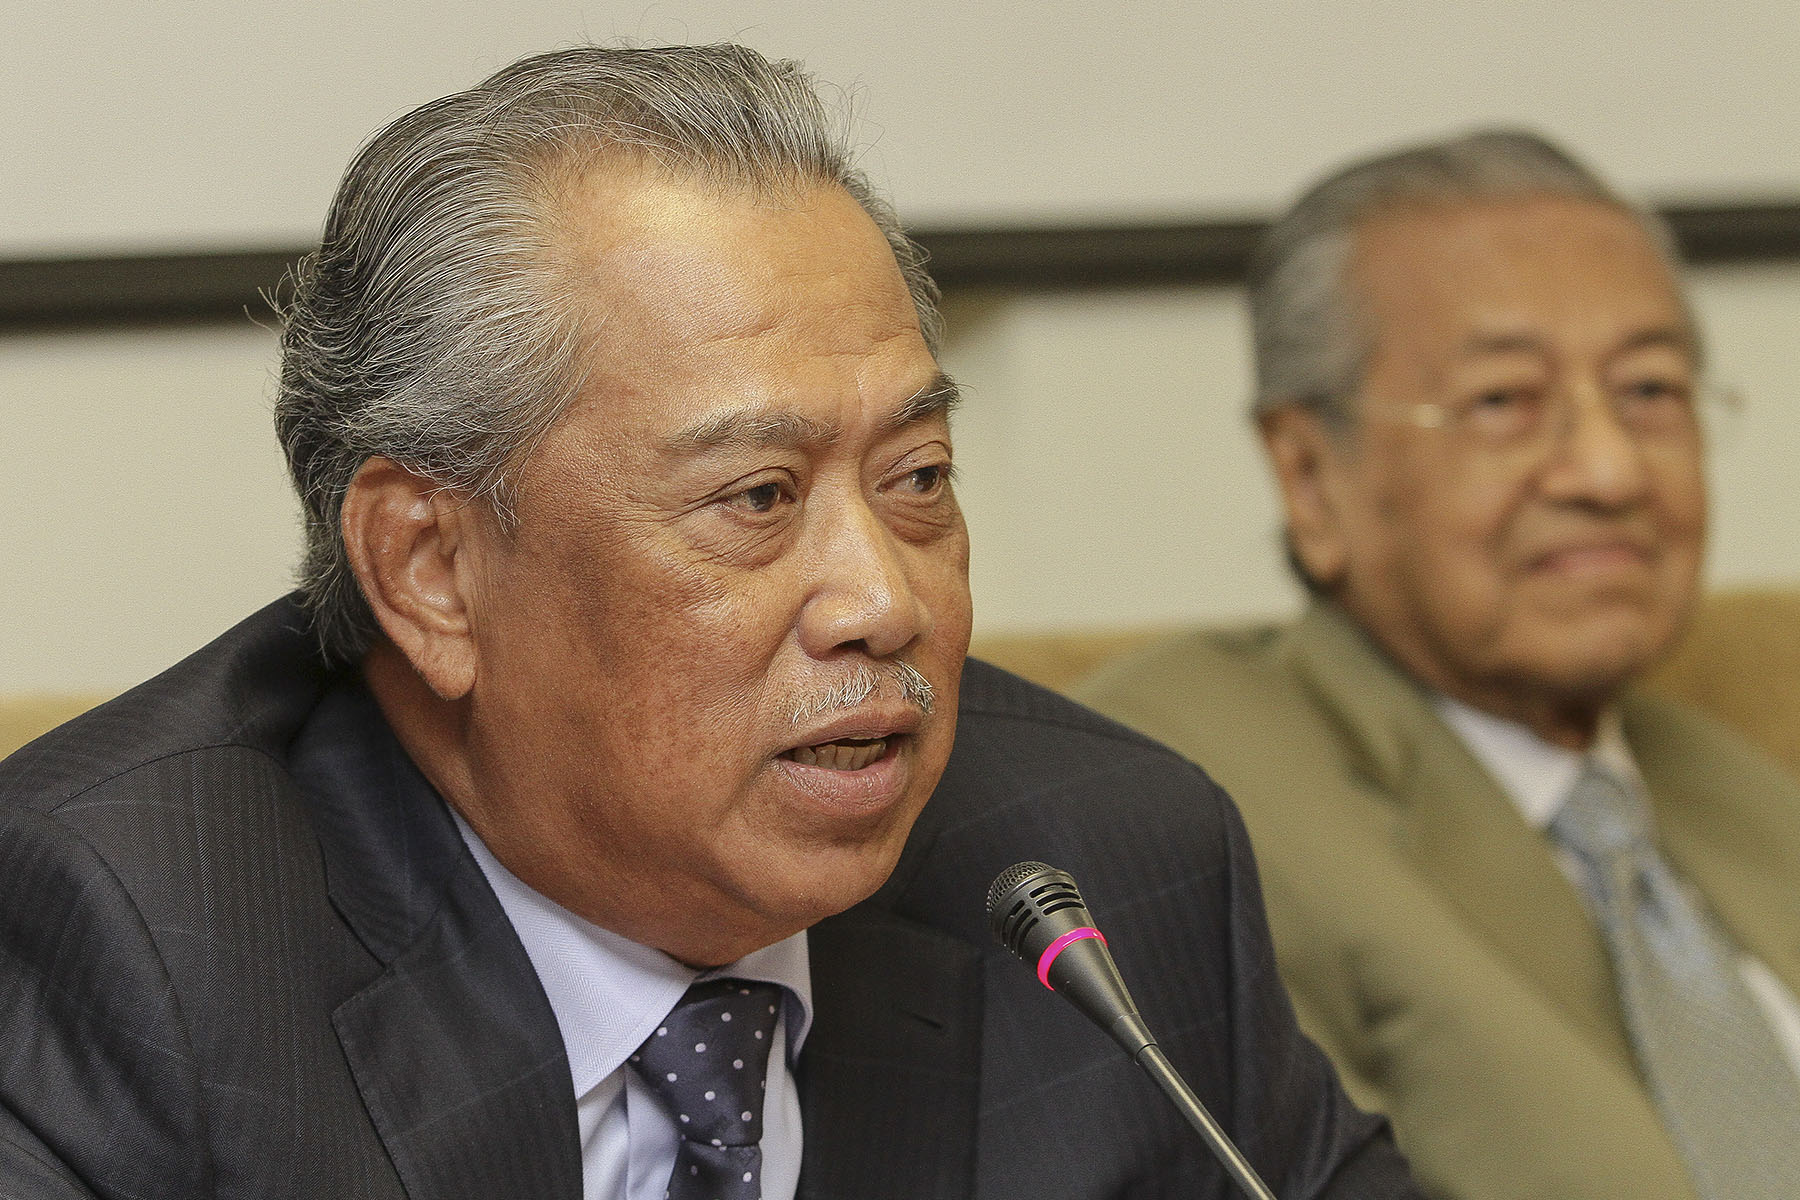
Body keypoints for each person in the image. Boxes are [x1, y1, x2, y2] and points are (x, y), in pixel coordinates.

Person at [0, 45, 1415, 1200]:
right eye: (755, 496)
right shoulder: (132, 944)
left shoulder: (1106, 869)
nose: (883, 601)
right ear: (431, 568)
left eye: (917, 480)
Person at [1080, 129, 1800, 1200]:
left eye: (1649, 390)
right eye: (1504, 402)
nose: (1608, 470)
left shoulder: (1733, 786)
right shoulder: (1179, 787)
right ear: (1312, 476)